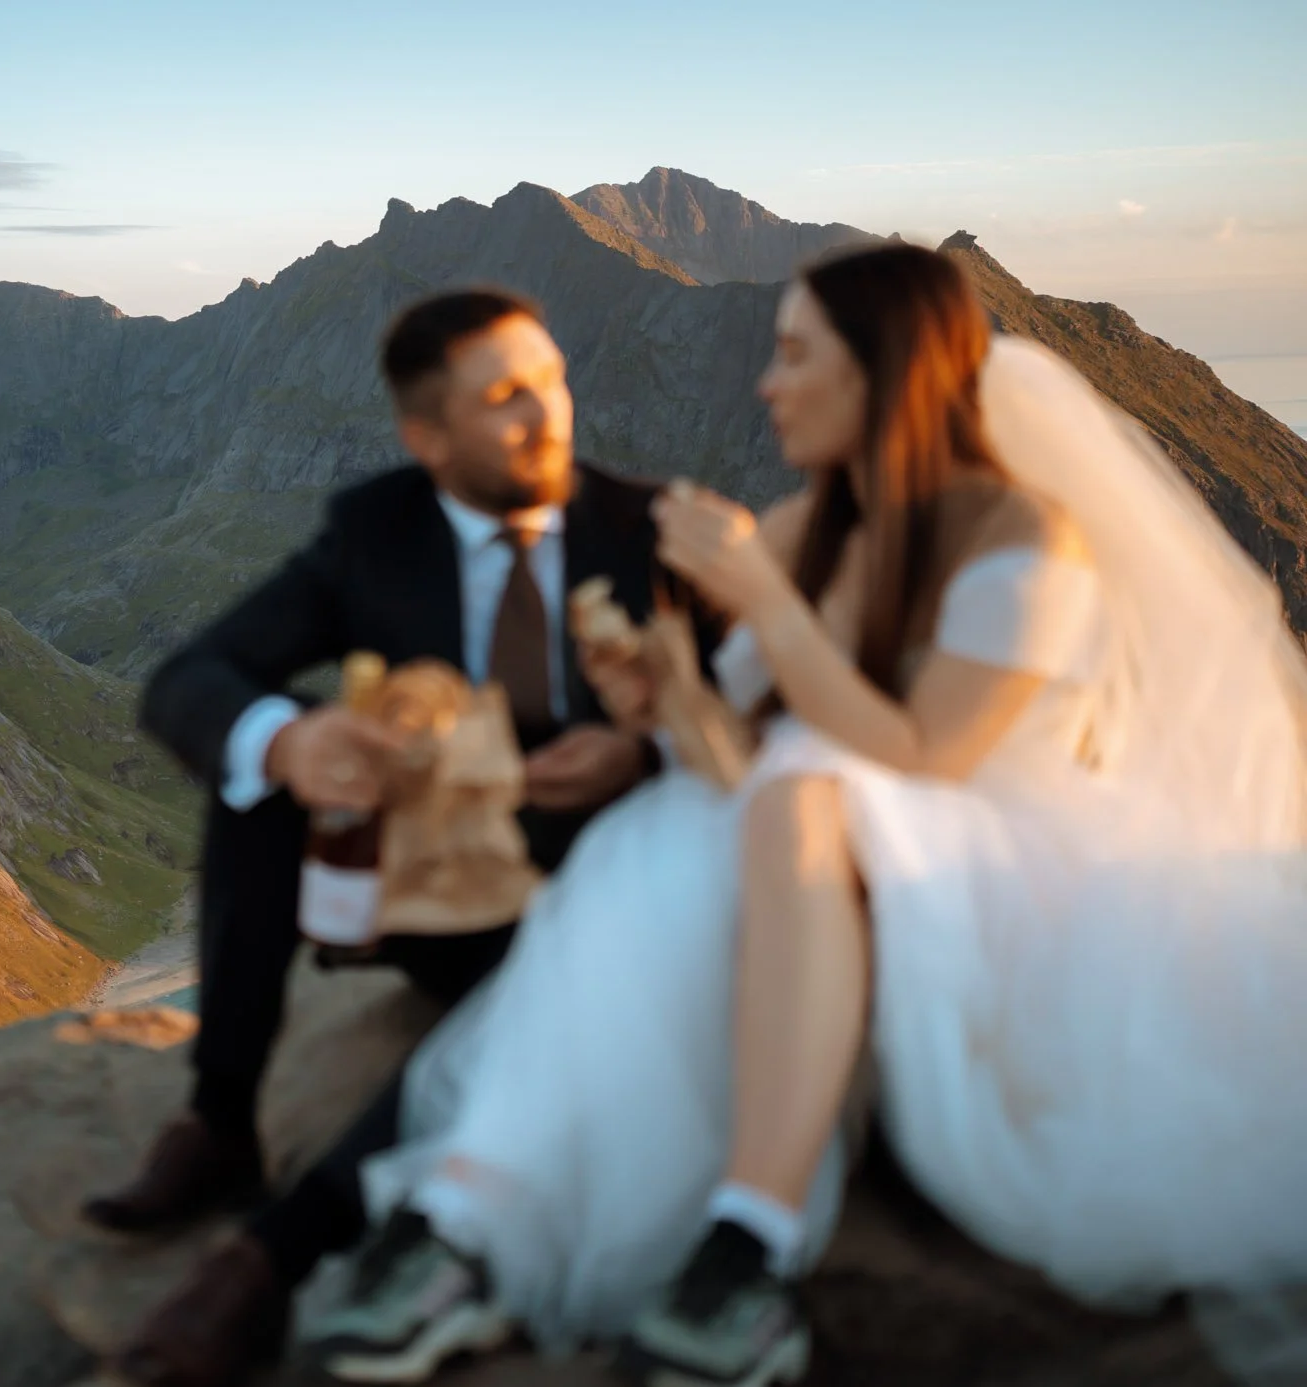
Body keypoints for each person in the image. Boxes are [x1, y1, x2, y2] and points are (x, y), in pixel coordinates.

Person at [310, 243, 1307, 1387]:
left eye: (794, 356)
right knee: (656, 846)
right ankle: (469, 1218)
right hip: (807, 854)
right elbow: (722, 755)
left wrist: (767, 606)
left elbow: (930, 755)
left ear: (881, 376)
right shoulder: (803, 528)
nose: (766, 384)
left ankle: (752, 1248)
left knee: (792, 793)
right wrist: (666, 697)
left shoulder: (1023, 540)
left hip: (982, 876)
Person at [94, 287, 693, 1387]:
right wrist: (287, 742)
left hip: (596, 910)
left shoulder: (649, 530)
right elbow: (194, 680)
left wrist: (638, 754)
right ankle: (221, 1119)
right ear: (428, 437)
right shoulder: (374, 532)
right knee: (257, 788)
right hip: (424, 902)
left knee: (540, 993)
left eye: (551, 380)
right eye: (505, 398)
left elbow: (768, 731)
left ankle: (266, 1262)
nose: (546, 414)